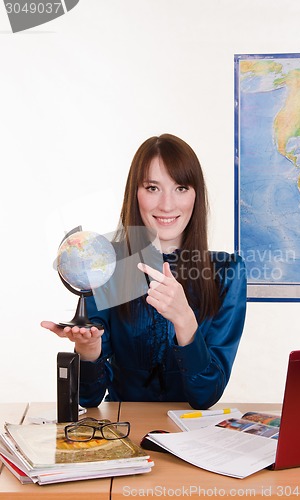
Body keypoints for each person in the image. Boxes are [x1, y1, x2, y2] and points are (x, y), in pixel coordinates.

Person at [41, 133, 247, 409]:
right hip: (124, 430)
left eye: (181, 188)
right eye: (152, 188)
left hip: (192, 438)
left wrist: (184, 319)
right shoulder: (107, 263)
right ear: (135, 193)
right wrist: (88, 350)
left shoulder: (225, 272)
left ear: (196, 195)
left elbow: (206, 395)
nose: (167, 205)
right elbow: (88, 399)